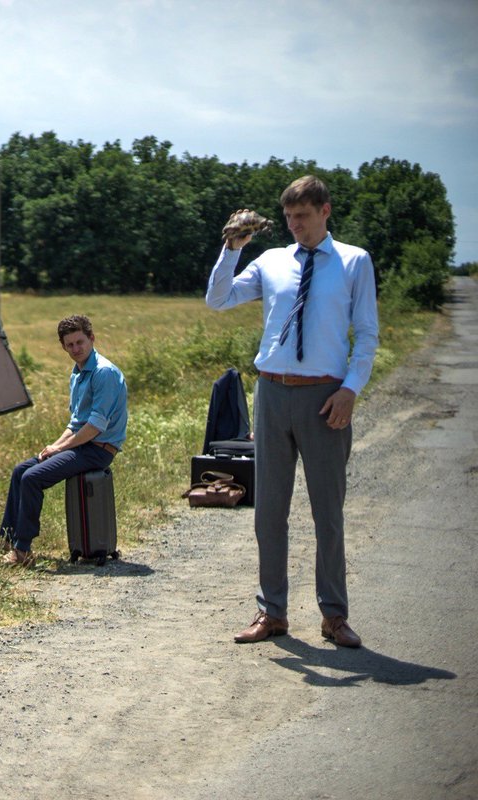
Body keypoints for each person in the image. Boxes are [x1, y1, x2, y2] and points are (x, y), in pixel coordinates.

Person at [206, 175, 379, 648]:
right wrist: (231, 248)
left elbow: (366, 334)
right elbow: (218, 299)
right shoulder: (272, 261)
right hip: (272, 393)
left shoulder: (353, 261)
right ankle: (272, 612)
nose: (295, 226)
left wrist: (350, 390)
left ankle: (334, 616)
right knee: (269, 512)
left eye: (302, 216)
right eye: (288, 218)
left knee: (328, 513)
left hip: (326, 397)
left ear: (325, 210)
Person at [0, 315, 128, 567]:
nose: (76, 349)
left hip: (99, 449)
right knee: (21, 470)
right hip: (84, 445)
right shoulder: (78, 373)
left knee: (33, 478)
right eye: (70, 345)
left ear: (92, 339)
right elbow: (75, 423)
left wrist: (60, 448)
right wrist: (53, 447)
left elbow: (96, 426)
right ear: (63, 346)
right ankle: (8, 539)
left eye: (80, 342)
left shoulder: (103, 372)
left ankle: (22, 552)